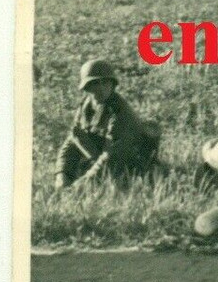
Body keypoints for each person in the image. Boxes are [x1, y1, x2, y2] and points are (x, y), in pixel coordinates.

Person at [54, 59, 161, 189]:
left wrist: (82, 183)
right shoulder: (85, 107)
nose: (101, 88)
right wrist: (62, 174)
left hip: (129, 165)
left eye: (105, 82)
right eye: (95, 83)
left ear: (112, 84)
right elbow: (73, 140)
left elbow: (112, 158)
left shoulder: (121, 113)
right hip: (101, 159)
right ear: (86, 87)